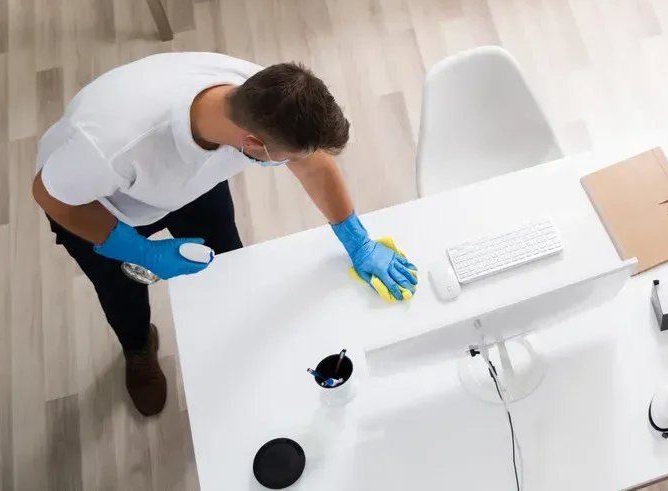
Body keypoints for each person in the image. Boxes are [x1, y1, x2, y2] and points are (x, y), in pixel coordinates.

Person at [32, 54, 418, 416]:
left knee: (227, 266)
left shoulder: (262, 98)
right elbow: (51, 196)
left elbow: (314, 165)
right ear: (253, 143)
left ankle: (232, 340)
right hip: (100, 203)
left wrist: (358, 240)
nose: (294, 164)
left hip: (192, 185)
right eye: (285, 158)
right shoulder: (110, 145)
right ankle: (138, 349)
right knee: (122, 290)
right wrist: (141, 251)